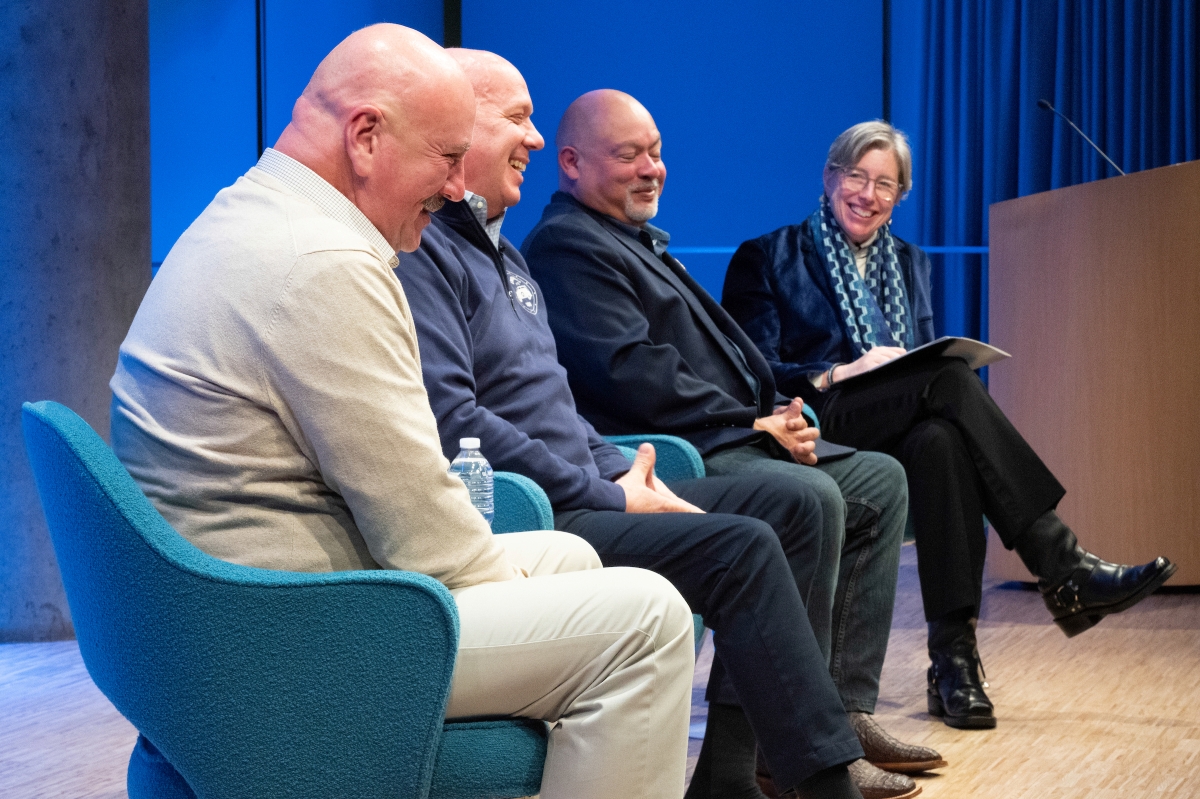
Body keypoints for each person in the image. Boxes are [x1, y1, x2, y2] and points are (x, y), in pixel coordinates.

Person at [108, 26, 698, 799]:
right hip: (294, 637)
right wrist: (510, 575)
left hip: (239, 611)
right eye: (448, 159)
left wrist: (525, 570)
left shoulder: (251, 212)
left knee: (571, 558)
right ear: (366, 136)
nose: (458, 187)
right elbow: (421, 529)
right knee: (648, 623)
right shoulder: (324, 265)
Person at [395, 49, 884, 799]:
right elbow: (459, 421)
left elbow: (557, 408)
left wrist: (618, 466)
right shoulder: (429, 253)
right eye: (516, 120)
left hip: (592, 481)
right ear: (455, 133)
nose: (528, 139)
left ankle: (731, 774)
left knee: (797, 503)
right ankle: (822, 780)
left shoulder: (509, 261)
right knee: (747, 545)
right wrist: (608, 487)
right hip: (538, 508)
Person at [522, 90, 937, 799]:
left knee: (882, 480)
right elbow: (632, 373)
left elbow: (735, 356)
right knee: (808, 497)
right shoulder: (568, 244)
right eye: (630, 154)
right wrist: (755, 424)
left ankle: (840, 709)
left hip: (727, 427)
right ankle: (755, 756)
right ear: (570, 162)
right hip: (675, 446)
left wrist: (783, 408)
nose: (652, 168)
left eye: (655, 151)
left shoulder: (632, 237)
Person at [720, 120, 1177, 729]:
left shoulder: (911, 261)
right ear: (830, 177)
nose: (868, 194)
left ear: (900, 196)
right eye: (856, 176)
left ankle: (954, 660)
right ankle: (1061, 564)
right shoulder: (768, 256)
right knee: (950, 381)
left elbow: (918, 357)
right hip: (816, 419)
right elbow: (754, 374)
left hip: (893, 419)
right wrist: (837, 372)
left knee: (941, 438)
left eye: (886, 184)